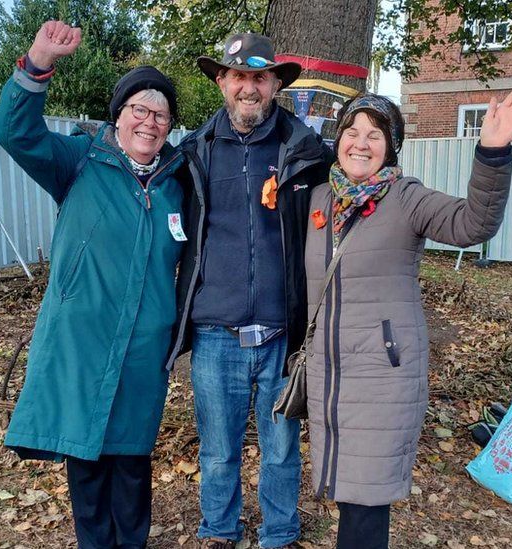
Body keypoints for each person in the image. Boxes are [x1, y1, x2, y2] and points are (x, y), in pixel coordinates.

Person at [303, 88, 512, 548]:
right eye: (352, 132)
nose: (361, 143)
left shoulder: (405, 198)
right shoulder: (319, 201)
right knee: (345, 492)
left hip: (382, 375)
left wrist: (492, 152)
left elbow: (472, 224)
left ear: (391, 147)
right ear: (338, 140)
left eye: (374, 135)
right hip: (329, 373)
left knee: (366, 502)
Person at [0, 20, 193, 549]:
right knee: (85, 458)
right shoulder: (80, 161)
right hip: (81, 343)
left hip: (142, 349)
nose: (149, 122)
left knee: (130, 463)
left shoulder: (180, 183)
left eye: (160, 114)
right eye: (139, 110)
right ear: (120, 114)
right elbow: (17, 133)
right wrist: (36, 66)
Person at [163, 33, 332, 549]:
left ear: (276, 84)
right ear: (222, 81)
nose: (249, 88)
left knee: (281, 447)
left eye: (260, 78)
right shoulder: (192, 153)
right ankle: (219, 529)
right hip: (215, 330)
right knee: (217, 450)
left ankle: (279, 533)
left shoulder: (306, 152)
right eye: (238, 76)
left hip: (285, 332)